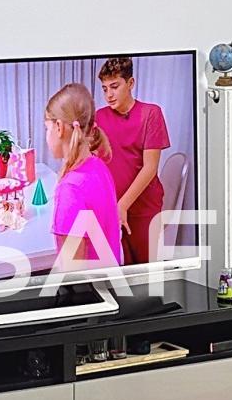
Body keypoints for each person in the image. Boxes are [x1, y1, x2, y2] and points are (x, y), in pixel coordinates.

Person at [95, 56, 172, 263]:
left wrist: (122, 206)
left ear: (130, 83)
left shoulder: (151, 113)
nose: (109, 95)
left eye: (114, 86)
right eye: (104, 89)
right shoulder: (99, 117)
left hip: (144, 208)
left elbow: (150, 168)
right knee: (120, 268)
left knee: (147, 269)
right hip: (111, 208)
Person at [43, 82, 123, 268]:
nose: (47, 135)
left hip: (94, 283)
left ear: (59, 127)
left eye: (47, 128)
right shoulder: (99, 166)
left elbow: (72, 273)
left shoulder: (70, 189)